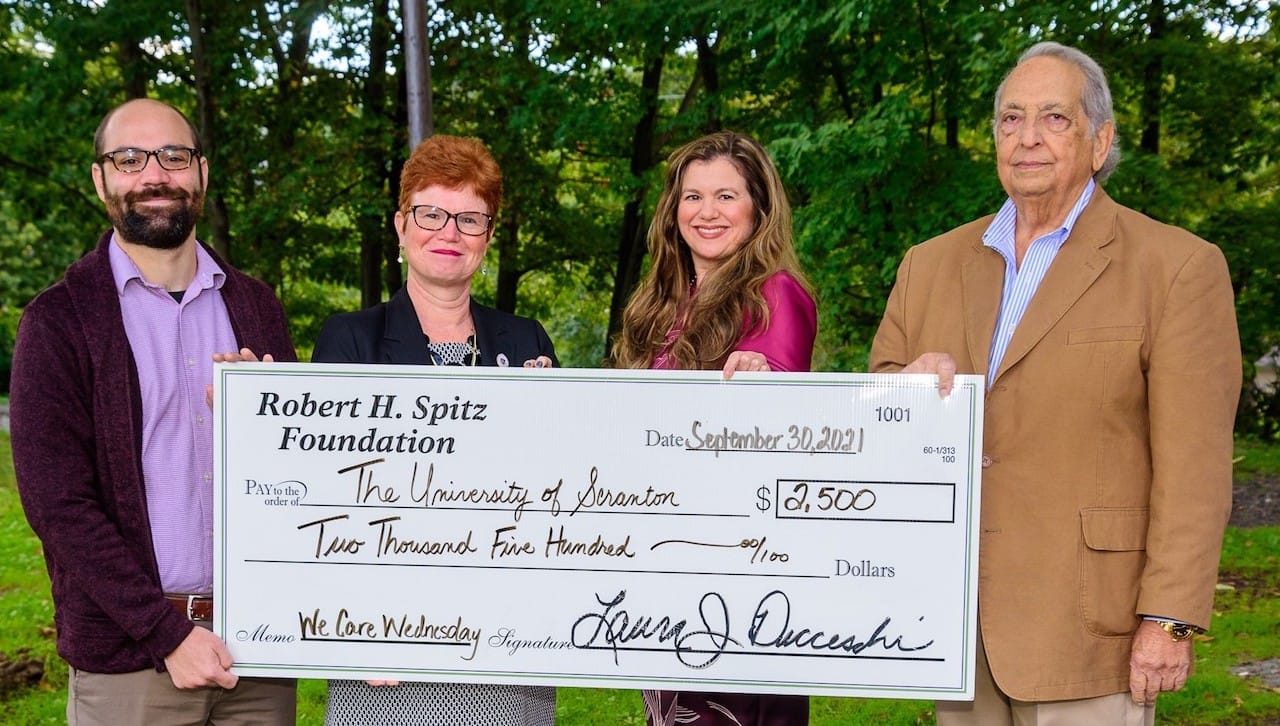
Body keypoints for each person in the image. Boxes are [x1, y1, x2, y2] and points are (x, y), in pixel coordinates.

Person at [869, 42, 1240, 724]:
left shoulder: (1177, 268)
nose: (1028, 138)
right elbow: (877, 414)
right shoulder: (928, 265)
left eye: (1053, 118)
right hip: (954, 623)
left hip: (1092, 632)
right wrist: (904, 393)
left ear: (1100, 142)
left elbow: (1197, 467)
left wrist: (1169, 617)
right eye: (1010, 119)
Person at [9, 98, 297, 724]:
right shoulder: (58, 321)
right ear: (101, 179)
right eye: (129, 158)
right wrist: (166, 635)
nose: (154, 175)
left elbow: (296, 481)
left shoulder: (257, 308)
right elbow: (59, 505)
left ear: (201, 172)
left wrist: (270, 421)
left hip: (260, 652)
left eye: (173, 156)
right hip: (132, 663)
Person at [312, 133, 557, 725]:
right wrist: (347, 621)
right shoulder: (349, 342)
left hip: (505, 654)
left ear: (489, 236)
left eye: (471, 218)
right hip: (387, 657)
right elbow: (321, 502)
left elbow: (560, 499)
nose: (450, 232)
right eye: (431, 213)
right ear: (401, 226)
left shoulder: (528, 343)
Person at [614, 130, 817, 725]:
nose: (707, 212)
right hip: (664, 560)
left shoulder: (774, 295)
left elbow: (773, 440)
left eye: (726, 196)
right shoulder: (661, 303)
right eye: (693, 196)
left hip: (737, 570)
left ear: (758, 208)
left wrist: (763, 380)